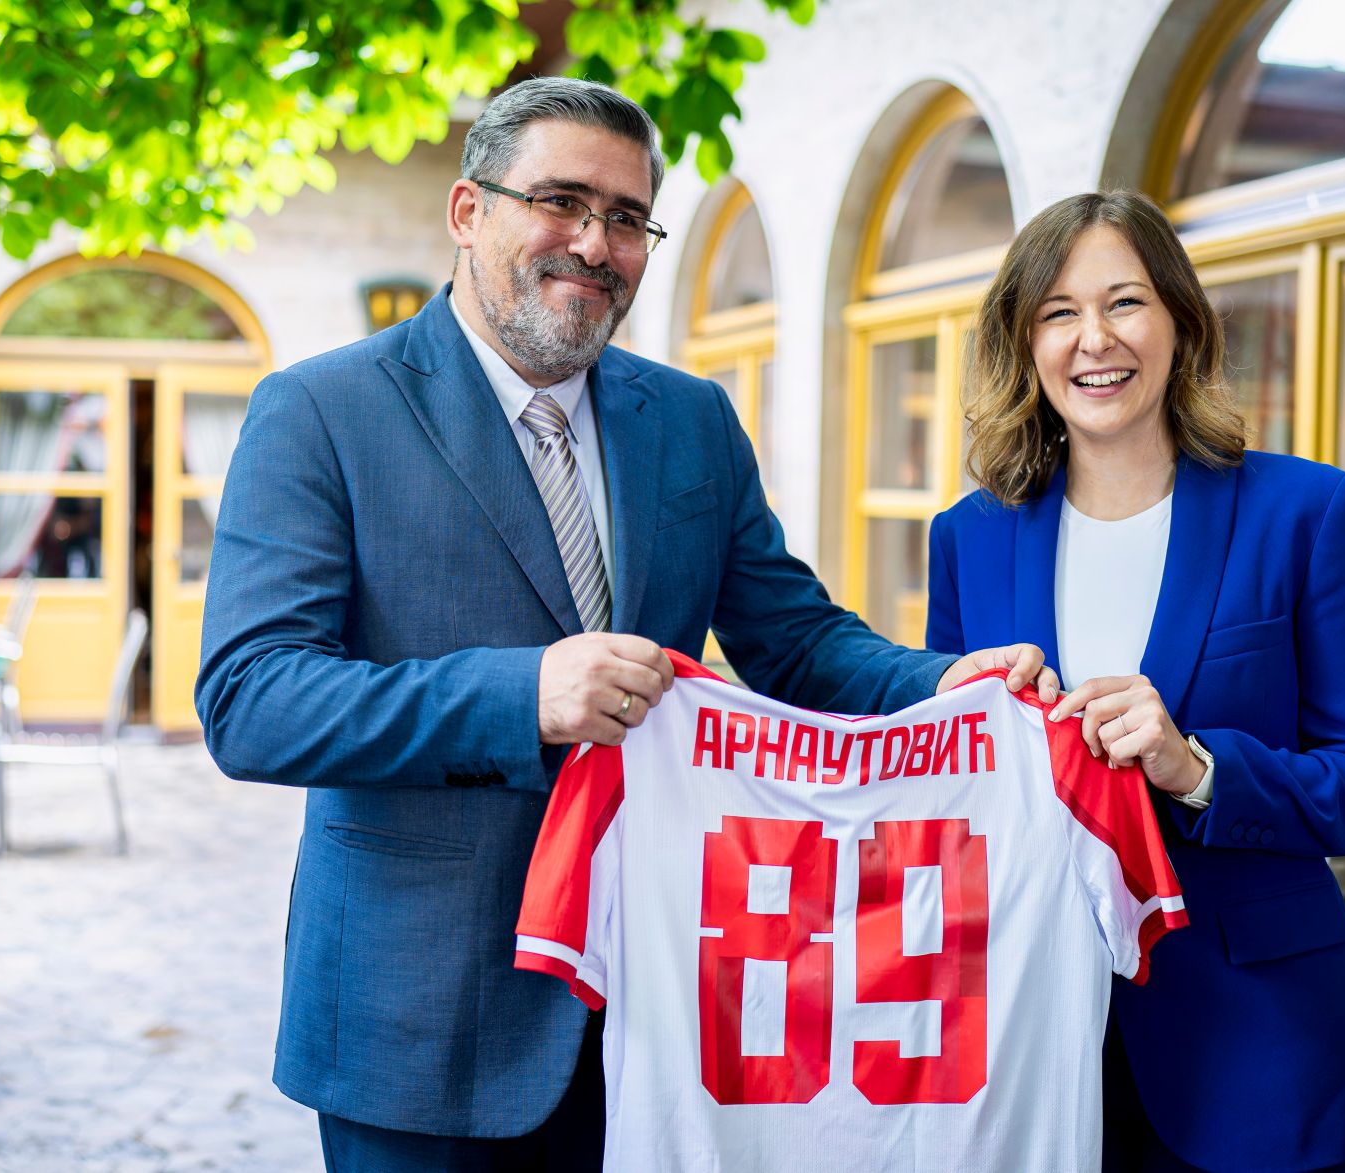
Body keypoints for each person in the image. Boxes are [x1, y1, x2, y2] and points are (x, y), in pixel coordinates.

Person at [196, 77, 1052, 1173]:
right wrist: (524, 696)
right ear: (468, 212)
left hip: (666, 1017)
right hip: (422, 1025)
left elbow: (794, 641)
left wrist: (941, 688)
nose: (594, 244)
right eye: (560, 202)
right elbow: (251, 699)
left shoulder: (688, 420)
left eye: (626, 219)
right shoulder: (320, 411)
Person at [925, 190, 1345, 1173]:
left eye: (1125, 302)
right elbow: (949, 797)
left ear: (1179, 323)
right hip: (1030, 1055)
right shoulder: (967, 539)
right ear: (1023, 343)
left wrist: (1192, 767)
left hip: (1260, 1057)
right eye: (1057, 312)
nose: (1093, 339)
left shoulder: (1306, 512)